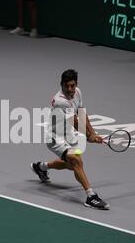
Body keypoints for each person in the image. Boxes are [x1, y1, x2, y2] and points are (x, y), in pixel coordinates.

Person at [31, 69, 110, 210]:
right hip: (55, 137)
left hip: (69, 135)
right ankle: (91, 196)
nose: (70, 89)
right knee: (76, 160)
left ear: (76, 84)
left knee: (70, 165)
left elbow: (82, 113)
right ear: (61, 84)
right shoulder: (61, 101)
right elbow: (75, 121)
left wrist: (93, 133)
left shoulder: (78, 92)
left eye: (72, 85)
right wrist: (89, 136)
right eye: (66, 86)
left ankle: (40, 167)